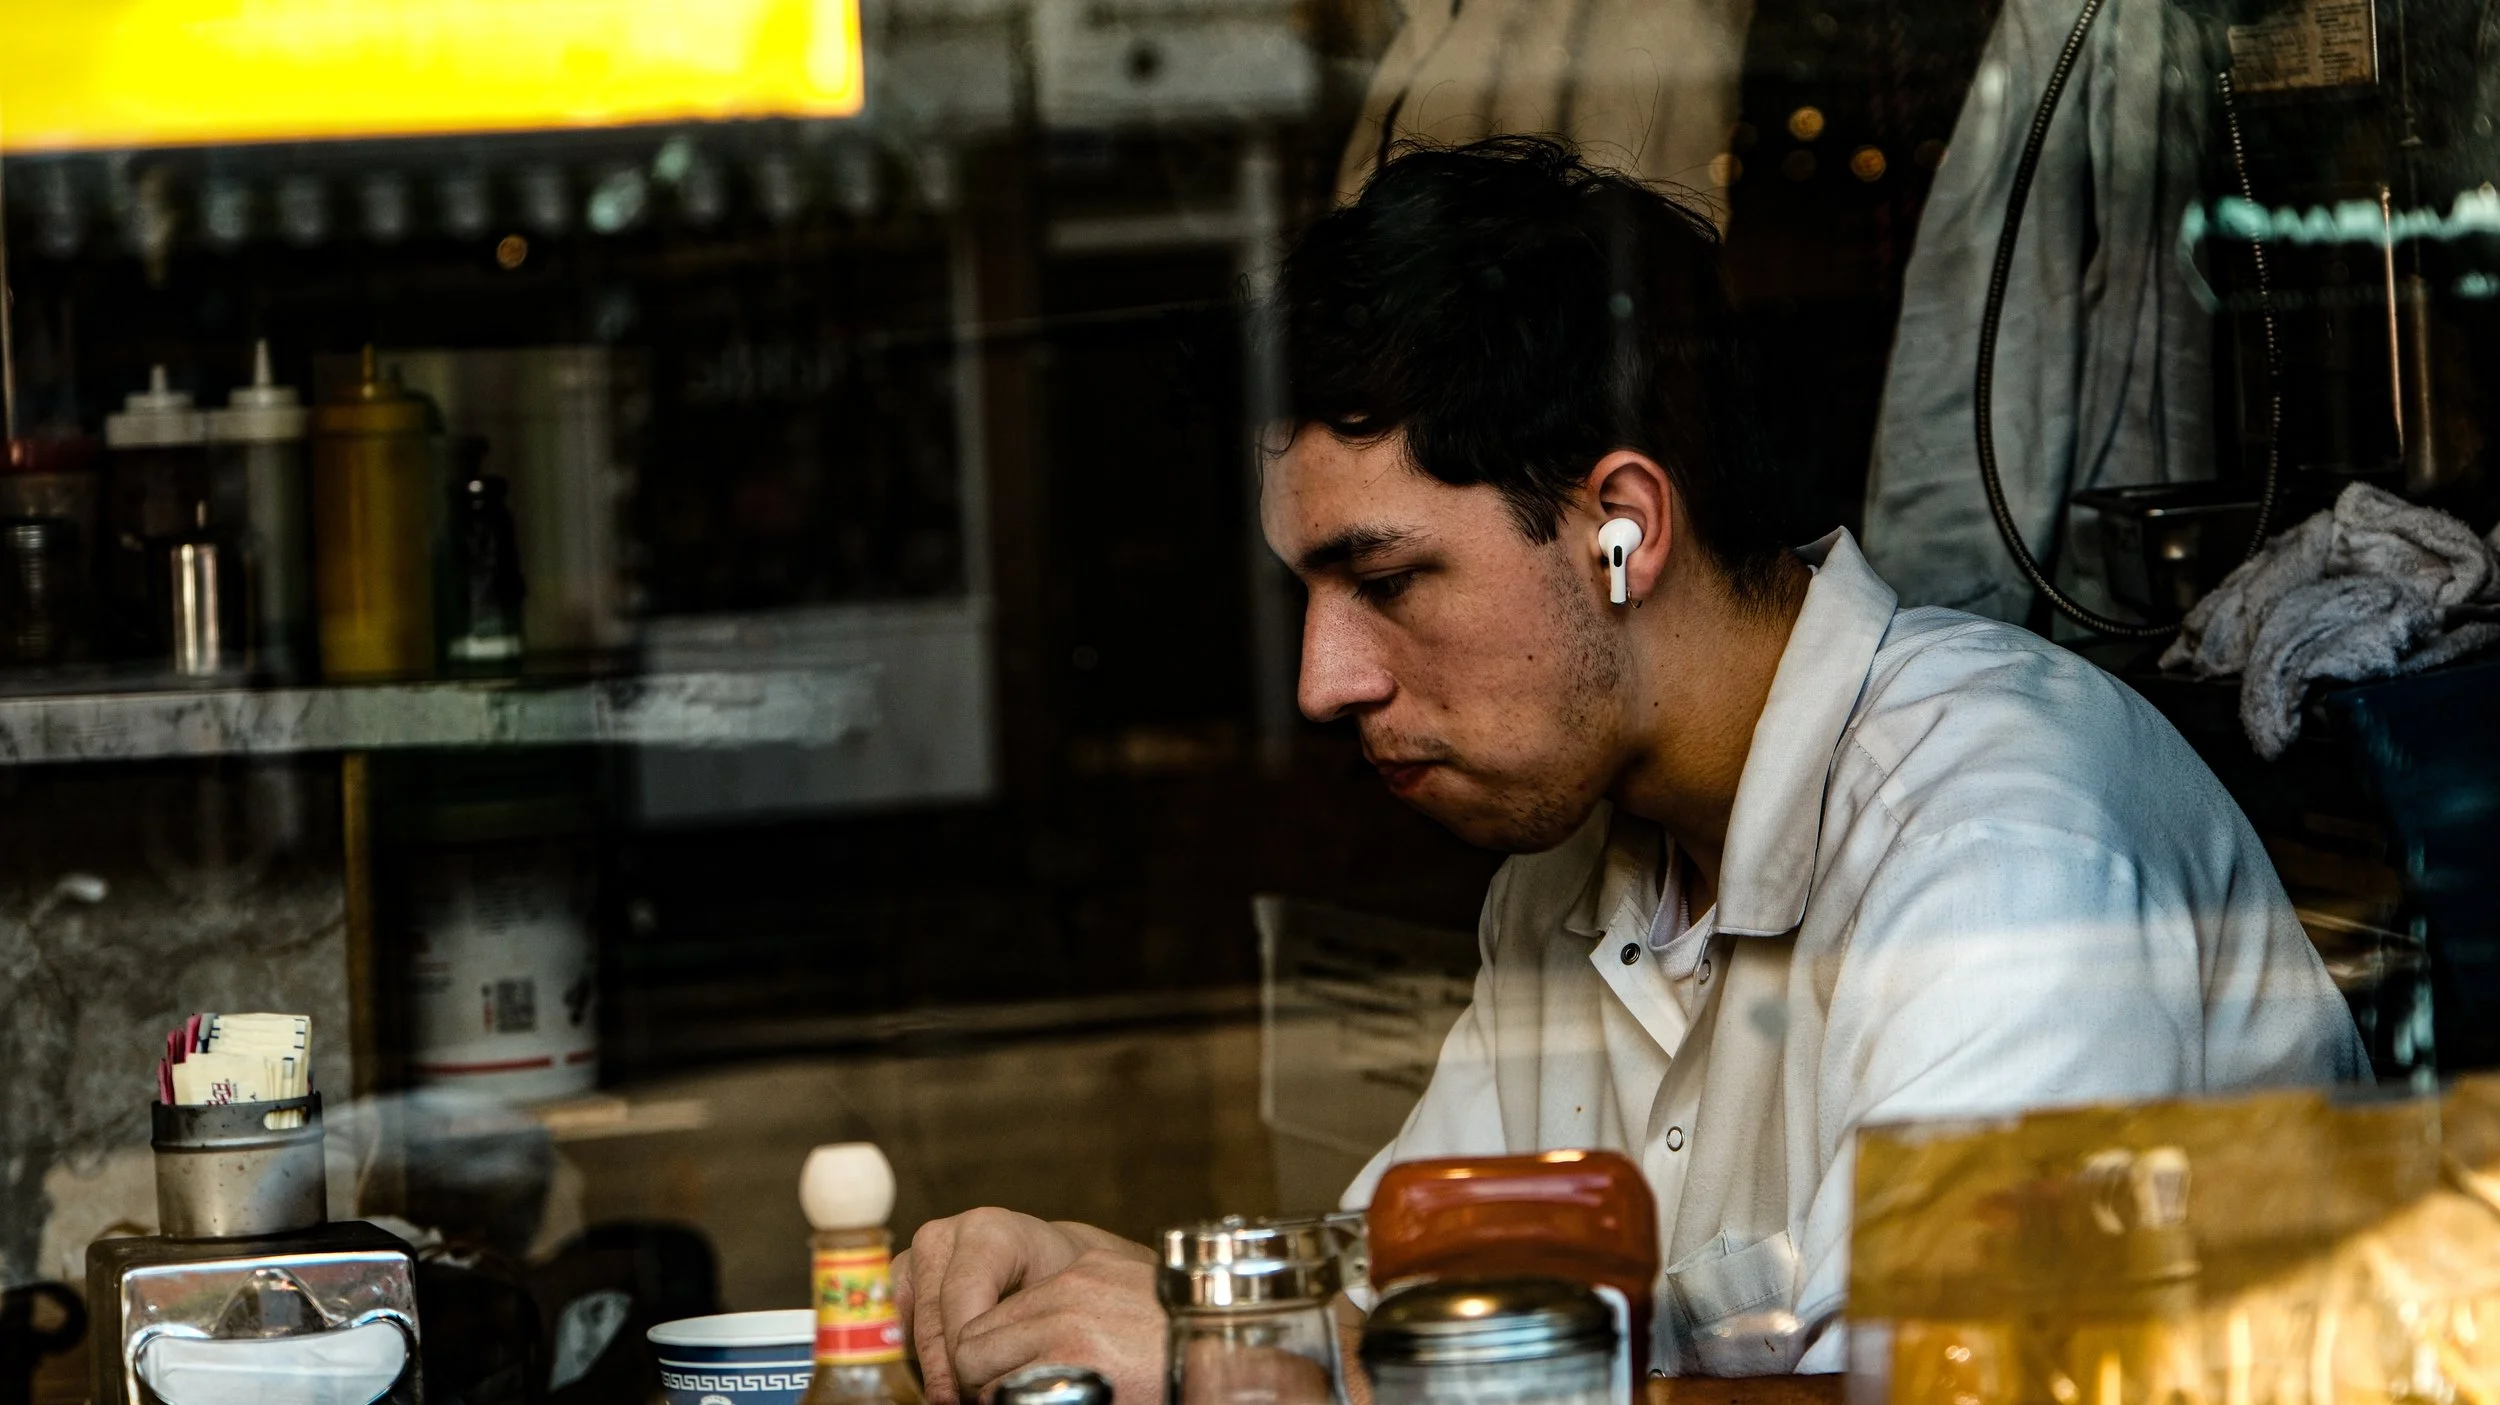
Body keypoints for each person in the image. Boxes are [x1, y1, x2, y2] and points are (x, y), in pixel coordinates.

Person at [891, 136, 2367, 1402]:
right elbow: (1397, 1311)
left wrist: (1256, 1355)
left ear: (1622, 529)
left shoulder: (1999, 849)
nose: (1323, 682)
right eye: (1310, 597)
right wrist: (1176, 1300)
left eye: (1387, 580)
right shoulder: (1567, 879)